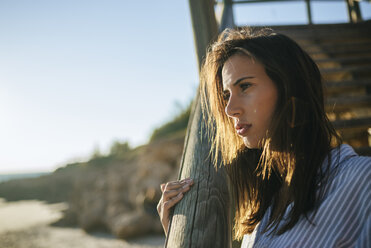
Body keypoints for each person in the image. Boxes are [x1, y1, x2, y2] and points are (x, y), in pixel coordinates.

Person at [157, 27, 371, 247]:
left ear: (288, 86)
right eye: (226, 95)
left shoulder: (362, 180)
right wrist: (180, 234)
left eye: (245, 86)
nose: (230, 109)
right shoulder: (263, 210)